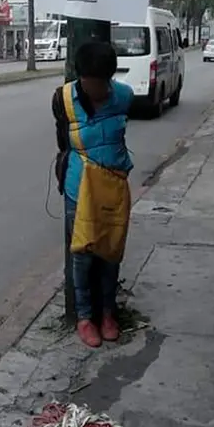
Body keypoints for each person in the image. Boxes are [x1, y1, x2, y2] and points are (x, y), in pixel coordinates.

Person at [52, 41, 134, 348]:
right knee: (83, 255)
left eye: (102, 84)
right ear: (80, 77)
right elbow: (63, 141)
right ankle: (85, 318)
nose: (96, 90)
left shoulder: (124, 96)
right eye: (90, 84)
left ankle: (108, 314)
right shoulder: (63, 99)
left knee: (110, 253)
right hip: (79, 188)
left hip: (113, 186)